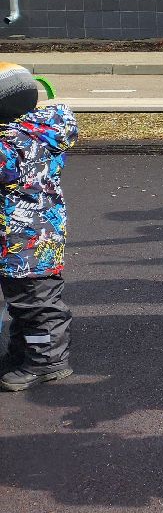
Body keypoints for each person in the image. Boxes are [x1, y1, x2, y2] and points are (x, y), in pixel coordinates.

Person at [0, 64, 79, 392]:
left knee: (36, 302)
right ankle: (26, 351)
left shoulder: (10, 145)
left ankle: (47, 361)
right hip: (44, 231)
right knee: (25, 300)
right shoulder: (43, 129)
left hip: (24, 241)